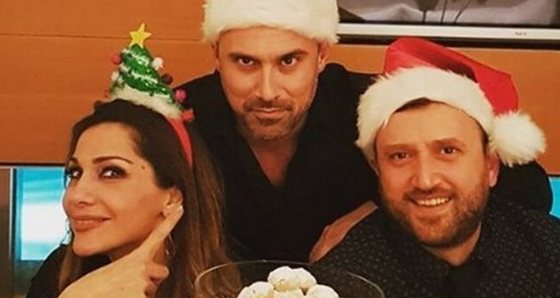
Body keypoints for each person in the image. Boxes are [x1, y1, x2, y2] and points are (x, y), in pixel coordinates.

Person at [0, 27, 318, 298]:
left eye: (111, 172)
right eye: (75, 173)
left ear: (172, 195)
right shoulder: (63, 275)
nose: (76, 196)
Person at [179, 0, 553, 263]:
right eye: (245, 62)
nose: (267, 90)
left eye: (289, 61)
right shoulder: (182, 116)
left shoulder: (376, 107)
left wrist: (381, 210)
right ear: (217, 55)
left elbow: (528, 188)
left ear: (322, 54)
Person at [313, 37, 560, 298]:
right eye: (400, 156)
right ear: (377, 169)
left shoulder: (549, 250)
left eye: (447, 151)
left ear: (491, 166)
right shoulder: (341, 290)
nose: (425, 179)